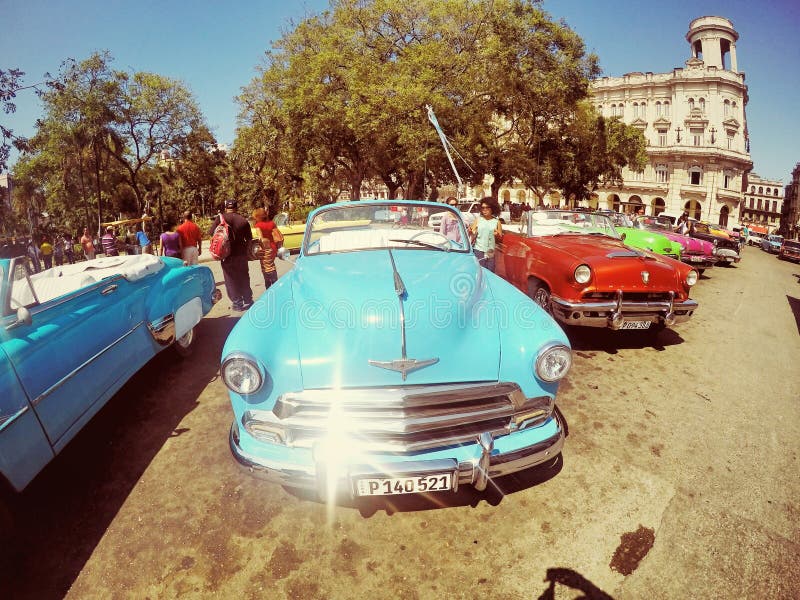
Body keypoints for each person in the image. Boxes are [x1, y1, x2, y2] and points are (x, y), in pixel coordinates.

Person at [209, 199, 253, 311]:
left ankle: (237, 303)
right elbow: (249, 240)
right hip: (241, 254)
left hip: (226, 255)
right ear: (236, 207)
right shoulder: (243, 220)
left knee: (230, 279)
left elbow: (212, 235)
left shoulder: (220, 218)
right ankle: (248, 298)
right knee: (243, 276)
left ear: (225, 208)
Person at [252, 207, 284, 290]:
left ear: (258, 216)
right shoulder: (272, 223)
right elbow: (277, 235)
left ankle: (270, 286)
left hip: (265, 248)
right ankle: (274, 285)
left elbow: (261, 238)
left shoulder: (258, 225)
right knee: (271, 265)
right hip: (273, 247)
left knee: (266, 268)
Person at [469, 197, 503, 273]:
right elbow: (472, 233)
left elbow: (500, 238)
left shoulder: (496, 222)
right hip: (479, 250)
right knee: (479, 273)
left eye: (487, 207)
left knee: (490, 273)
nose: (484, 210)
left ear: (493, 209)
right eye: (483, 207)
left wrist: (497, 234)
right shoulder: (478, 220)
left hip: (490, 252)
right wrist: (471, 232)